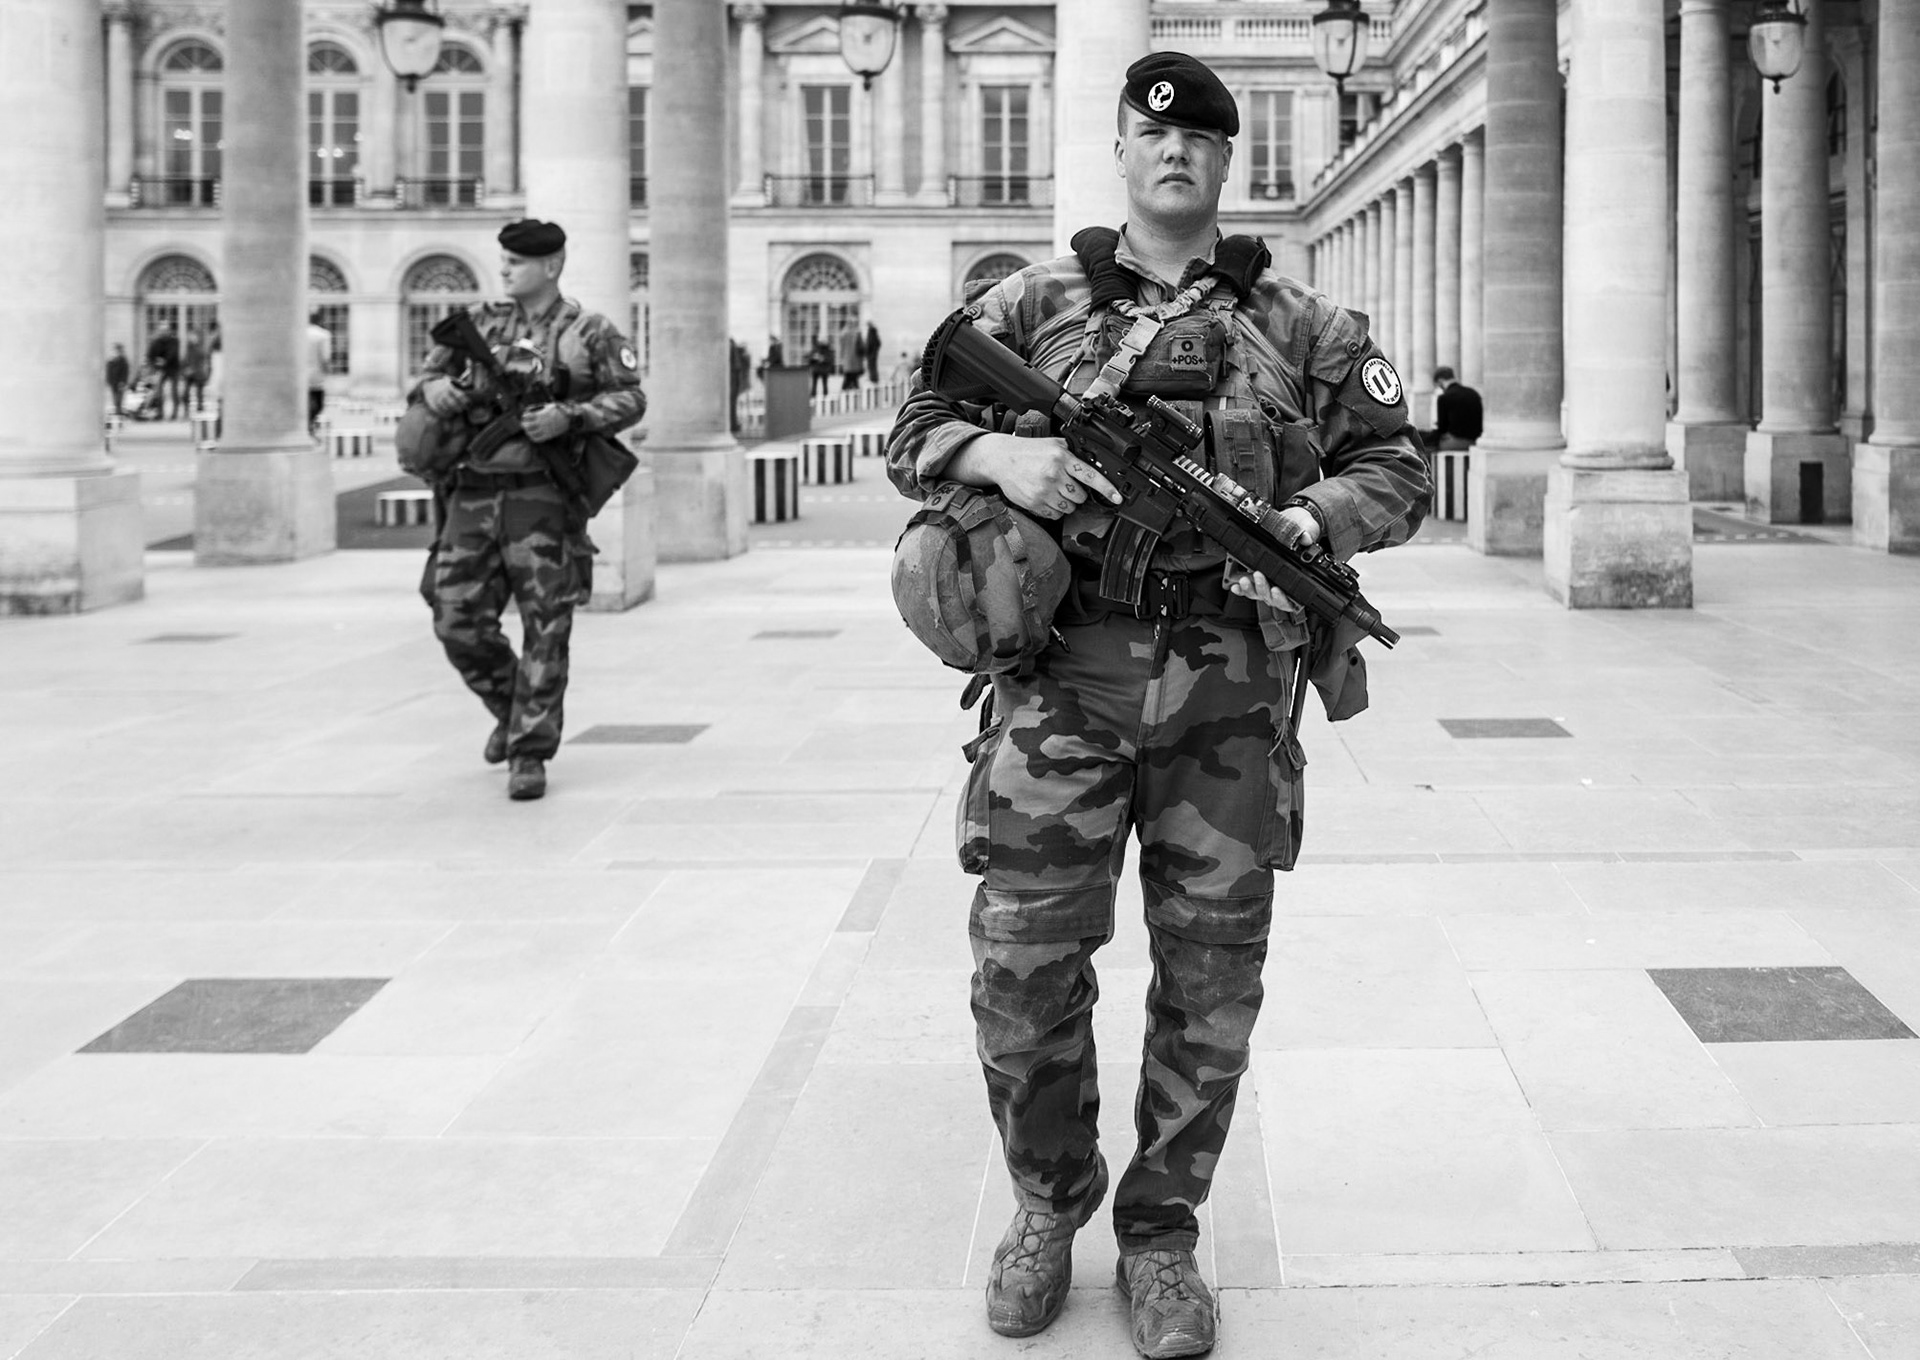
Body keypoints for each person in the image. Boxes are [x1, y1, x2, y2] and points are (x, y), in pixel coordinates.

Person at [885, 51, 1428, 1359]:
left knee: (1212, 975)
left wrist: (1307, 518)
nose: (1174, 152)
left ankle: (1163, 1236)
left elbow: (1397, 469)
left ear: (1227, 162)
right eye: (1150, 132)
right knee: (1021, 959)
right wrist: (1005, 450)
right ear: (1124, 150)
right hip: (1063, 681)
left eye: (1199, 139)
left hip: (1232, 692)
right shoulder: (1030, 304)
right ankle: (1045, 1206)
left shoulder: (1303, 325)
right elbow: (914, 428)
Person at [412, 218, 646, 802]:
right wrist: (432, 391)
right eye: (504, 259)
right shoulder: (479, 324)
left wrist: (572, 417)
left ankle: (528, 751)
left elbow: (631, 396)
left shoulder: (587, 330)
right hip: (470, 492)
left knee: (548, 623)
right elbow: (427, 381)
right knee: (454, 617)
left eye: (517, 261)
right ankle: (513, 706)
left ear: (551, 265)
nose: (506, 268)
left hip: (540, 497)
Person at [1421, 365, 1482, 451]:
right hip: (1475, 440)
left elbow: (1442, 429)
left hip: (1456, 442)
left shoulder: (1444, 398)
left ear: (1440, 381)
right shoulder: (1473, 393)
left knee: (1423, 446)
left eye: (1439, 385)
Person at [145, 324, 180, 419]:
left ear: (169, 331)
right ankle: (160, 413)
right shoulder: (156, 342)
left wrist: (164, 361)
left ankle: (175, 414)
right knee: (158, 391)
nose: (164, 332)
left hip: (173, 369)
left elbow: (172, 353)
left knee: (174, 391)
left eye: (166, 330)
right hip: (161, 369)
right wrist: (155, 363)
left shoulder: (174, 341)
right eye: (162, 331)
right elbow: (150, 355)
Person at [307, 313, 334, 434]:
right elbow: (325, 357)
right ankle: (308, 425)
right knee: (318, 403)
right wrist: (328, 371)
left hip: (299, 375)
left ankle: (307, 425)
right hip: (315, 373)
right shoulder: (323, 335)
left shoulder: (298, 332)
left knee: (305, 402)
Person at [182, 330, 208, 414]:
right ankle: (186, 409)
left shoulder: (200, 348)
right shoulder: (189, 348)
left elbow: (201, 360)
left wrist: (192, 369)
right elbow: (186, 360)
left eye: (193, 336)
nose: (191, 338)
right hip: (190, 373)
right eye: (191, 336)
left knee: (199, 393)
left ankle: (200, 408)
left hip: (198, 373)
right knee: (186, 392)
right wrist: (186, 369)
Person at [837, 319, 863, 391]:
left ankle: (845, 394)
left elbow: (842, 348)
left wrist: (841, 359)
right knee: (853, 379)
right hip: (855, 362)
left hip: (848, 362)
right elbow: (861, 347)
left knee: (849, 379)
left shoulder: (844, 333)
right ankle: (854, 393)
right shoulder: (856, 333)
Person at [105, 344, 129, 416]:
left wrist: (123, 381)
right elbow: (109, 371)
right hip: (113, 381)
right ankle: (117, 409)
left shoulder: (123, 361)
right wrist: (108, 380)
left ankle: (119, 410)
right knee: (114, 396)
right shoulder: (111, 360)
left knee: (119, 396)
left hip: (120, 381)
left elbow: (125, 372)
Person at [864, 320, 882, 385]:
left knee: (871, 366)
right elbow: (878, 343)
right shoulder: (874, 332)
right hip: (873, 352)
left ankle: (873, 378)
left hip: (871, 353)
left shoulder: (871, 332)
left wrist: (869, 351)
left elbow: (870, 343)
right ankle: (873, 378)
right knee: (872, 366)